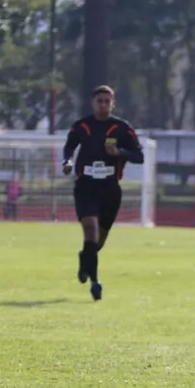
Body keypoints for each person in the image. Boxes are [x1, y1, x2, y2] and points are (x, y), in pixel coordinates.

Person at [62, 85, 144, 301]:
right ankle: (95, 283)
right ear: (93, 103)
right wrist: (68, 161)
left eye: (107, 101)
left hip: (110, 189)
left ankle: (84, 259)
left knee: (98, 241)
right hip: (86, 186)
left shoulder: (122, 128)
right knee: (90, 230)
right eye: (100, 101)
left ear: (113, 103)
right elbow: (69, 146)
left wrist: (120, 152)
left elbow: (139, 156)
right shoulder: (82, 126)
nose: (103, 105)